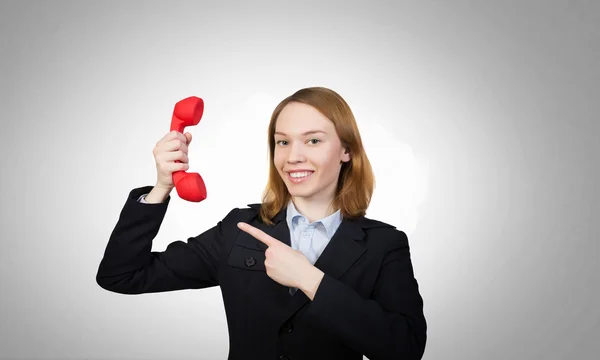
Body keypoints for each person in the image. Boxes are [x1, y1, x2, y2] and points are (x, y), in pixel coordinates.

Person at [96, 86, 427, 360]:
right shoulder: (239, 229)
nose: (293, 156)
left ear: (346, 151)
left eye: (313, 140)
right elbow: (122, 275)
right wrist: (162, 186)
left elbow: (405, 349)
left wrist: (311, 280)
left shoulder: (384, 244)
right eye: (283, 142)